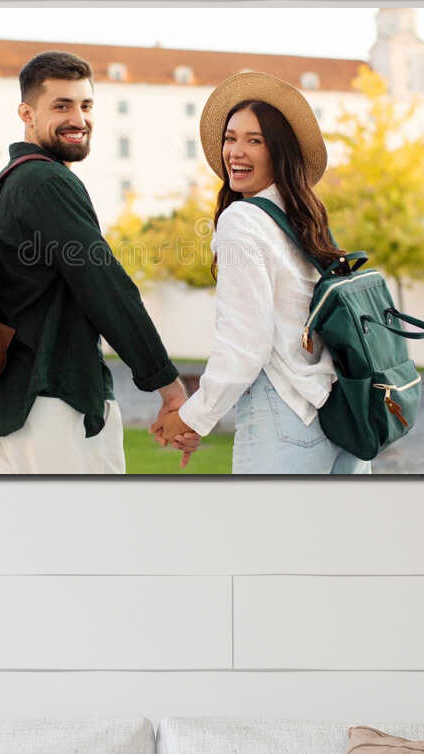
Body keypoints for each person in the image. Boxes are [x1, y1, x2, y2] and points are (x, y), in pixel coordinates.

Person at [0, 50, 188, 475]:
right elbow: (104, 287)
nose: (79, 119)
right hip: (52, 408)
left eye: (86, 105)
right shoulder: (46, 181)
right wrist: (167, 385)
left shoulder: (6, 184)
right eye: (62, 106)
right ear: (26, 113)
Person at [150, 71, 370, 475]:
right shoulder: (306, 219)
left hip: (285, 414)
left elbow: (245, 344)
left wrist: (193, 417)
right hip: (340, 413)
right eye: (231, 138)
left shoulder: (243, 220)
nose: (235, 151)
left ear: (280, 151)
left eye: (255, 140)